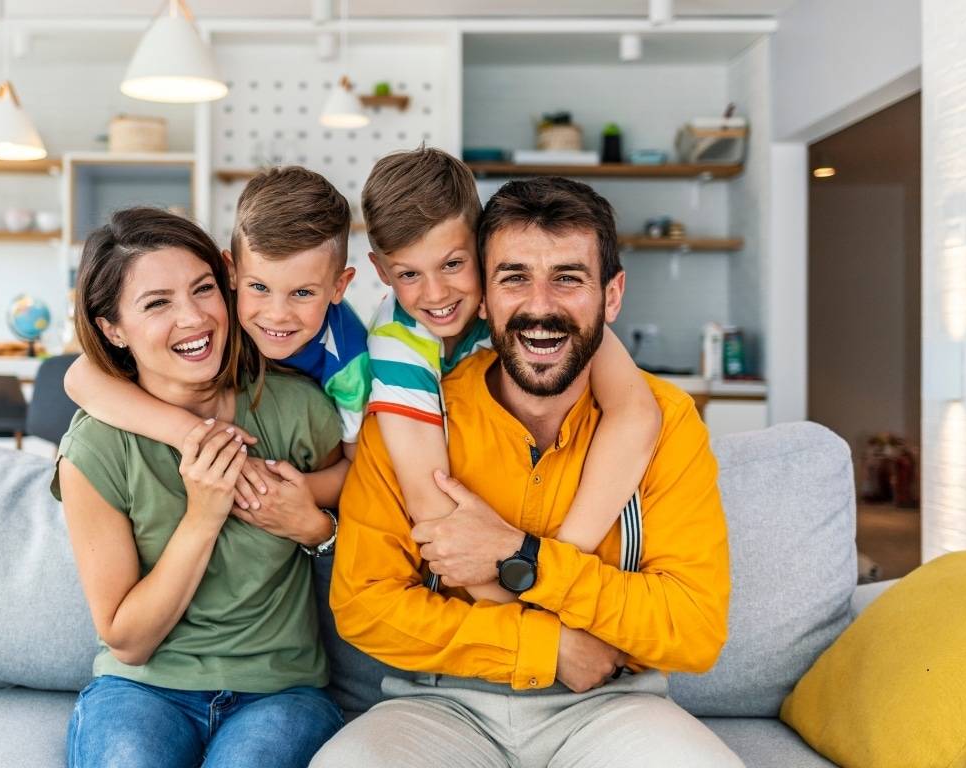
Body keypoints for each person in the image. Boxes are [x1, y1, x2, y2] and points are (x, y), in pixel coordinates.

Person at [315, 177, 741, 767]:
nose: (541, 306)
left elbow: (693, 628)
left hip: (608, 705)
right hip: (442, 704)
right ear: (484, 297)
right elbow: (365, 606)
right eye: (515, 277)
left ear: (611, 296)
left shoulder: (665, 422)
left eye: (568, 278)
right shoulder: (412, 412)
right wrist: (544, 646)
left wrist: (524, 558)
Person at [53, 207, 344, 768]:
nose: (193, 317)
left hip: (280, 692)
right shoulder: (95, 450)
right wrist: (204, 514)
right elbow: (128, 641)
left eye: (203, 289)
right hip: (142, 689)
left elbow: (364, 508)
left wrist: (316, 523)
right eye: (157, 302)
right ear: (113, 328)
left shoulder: (297, 408)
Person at [360, 147, 661, 601]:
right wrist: (537, 619)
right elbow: (436, 512)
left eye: (453, 264)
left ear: (483, 247)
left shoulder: (532, 310)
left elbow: (636, 414)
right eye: (408, 274)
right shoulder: (397, 346)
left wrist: (551, 570)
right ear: (381, 270)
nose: (436, 293)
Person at [62, 167, 366, 514]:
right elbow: (79, 377)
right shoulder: (224, 311)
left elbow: (359, 473)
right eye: (260, 287)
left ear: (339, 287)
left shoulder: (351, 367)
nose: (277, 314)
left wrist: (264, 487)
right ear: (233, 272)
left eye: (302, 293)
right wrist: (191, 433)